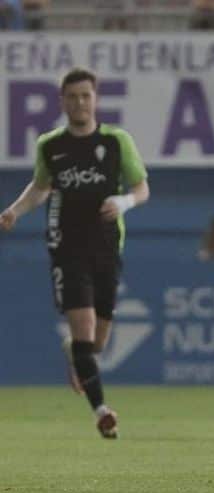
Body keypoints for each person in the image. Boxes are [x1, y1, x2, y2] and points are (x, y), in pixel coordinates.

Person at [0, 67, 150, 439]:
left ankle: (74, 352)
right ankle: (102, 411)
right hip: (66, 248)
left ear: (95, 99)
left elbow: (142, 187)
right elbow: (40, 187)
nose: (80, 102)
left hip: (106, 248)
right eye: (73, 96)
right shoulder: (51, 145)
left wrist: (125, 201)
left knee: (95, 342)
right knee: (84, 331)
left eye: (86, 95)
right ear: (62, 101)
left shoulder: (117, 141)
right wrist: (14, 211)